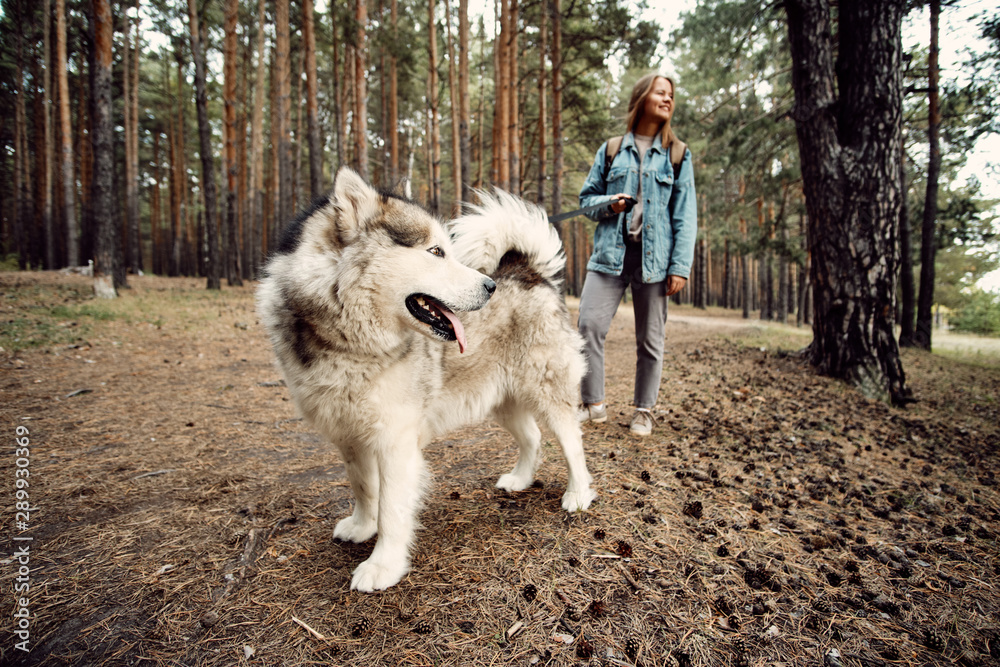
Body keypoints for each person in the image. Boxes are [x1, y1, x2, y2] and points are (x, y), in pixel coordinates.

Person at [575, 73, 697, 436]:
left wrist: (680, 266)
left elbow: (685, 216)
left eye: (671, 95)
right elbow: (586, 201)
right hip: (609, 257)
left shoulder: (678, 154)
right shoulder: (612, 149)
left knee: (650, 340)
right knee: (588, 326)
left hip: (656, 263)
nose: (667, 99)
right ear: (642, 96)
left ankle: (644, 411)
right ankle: (592, 403)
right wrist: (609, 204)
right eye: (661, 92)